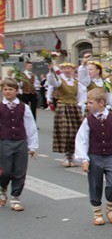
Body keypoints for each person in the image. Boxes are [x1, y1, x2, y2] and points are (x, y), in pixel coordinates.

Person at [74, 88, 112, 226]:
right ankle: (97, 212)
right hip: (95, 156)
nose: (87, 105)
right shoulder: (88, 121)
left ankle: (110, 207)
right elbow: (81, 140)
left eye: (90, 103)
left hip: (110, 156)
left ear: (101, 102)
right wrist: (84, 159)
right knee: (95, 184)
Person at [0, 78, 39, 212]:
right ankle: (2, 187)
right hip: (4, 141)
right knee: (5, 171)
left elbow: (30, 126)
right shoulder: (0, 107)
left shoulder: (24, 107)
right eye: (5, 89)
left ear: (16, 91)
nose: (8, 92)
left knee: (19, 171)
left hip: (21, 141)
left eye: (10, 89)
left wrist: (32, 146)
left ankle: (15, 196)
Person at [47, 61, 84, 167]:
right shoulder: (59, 80)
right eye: (65, 68)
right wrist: (51, 70)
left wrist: (80, 107)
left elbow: (81, 96)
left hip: (74, 107)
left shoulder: (77, 82)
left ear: (73, 70)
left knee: (75, 132)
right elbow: (52, 82)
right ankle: (67, 156)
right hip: (63, 107)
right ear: (62, 70)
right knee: (66, 131)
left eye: (69, 68)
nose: (67, 71)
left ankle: (71, 155)